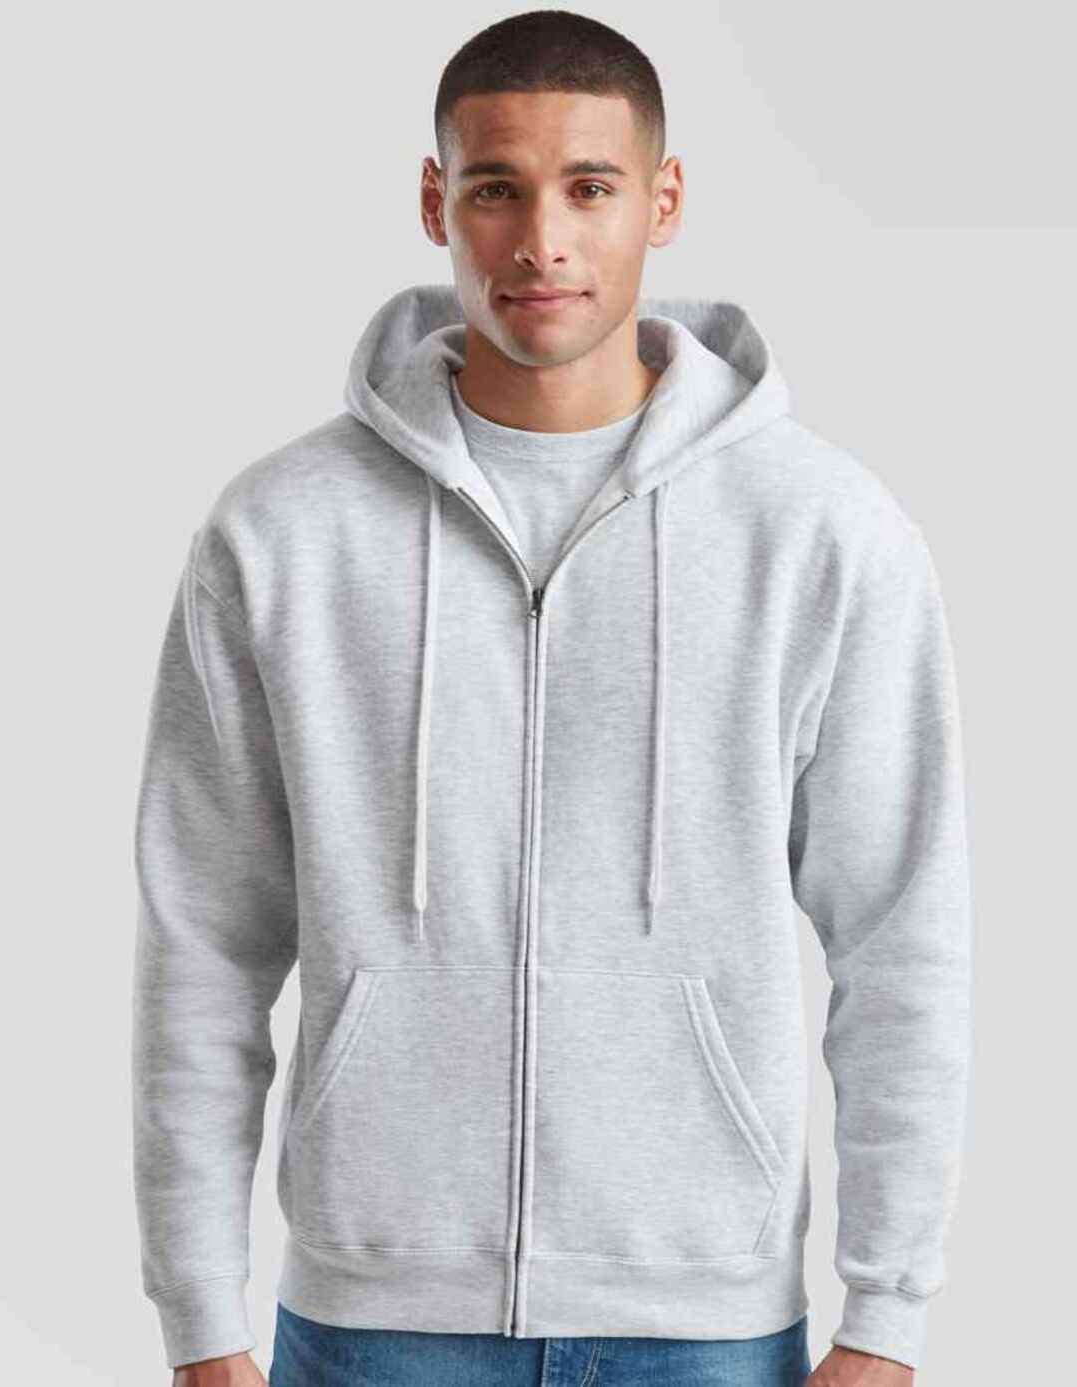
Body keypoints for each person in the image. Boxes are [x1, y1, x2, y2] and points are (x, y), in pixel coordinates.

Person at [131, 11, 972, 1386]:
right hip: (373, 1325)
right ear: (435, 202)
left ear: (663, 199)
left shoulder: (820, 531)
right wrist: (198, 1317)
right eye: (496, 189)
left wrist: (887, 1313)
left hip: (704, 1328)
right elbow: (203, 941)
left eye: (589, 188)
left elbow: (904, 936)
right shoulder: (282, 535)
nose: (542, 241)